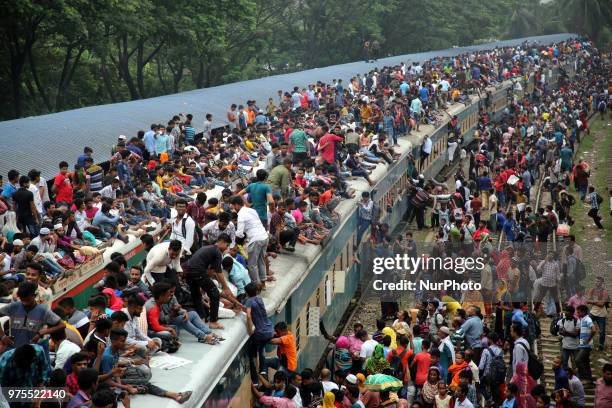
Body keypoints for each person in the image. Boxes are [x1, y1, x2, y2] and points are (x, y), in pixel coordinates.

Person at [184, 234, 242, 329]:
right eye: (227, 245)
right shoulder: (217, 252)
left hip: (189, 271)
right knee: (214, 293)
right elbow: (219, 272)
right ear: (222, 242)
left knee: (196, 295)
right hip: (198, 271)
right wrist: (226, 288)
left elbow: (215, 272)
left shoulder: (208, 248)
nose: (227, 249)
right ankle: (213, 321)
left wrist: (222, 285)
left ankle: (201, 319)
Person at [0, 281, 65, 348]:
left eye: (27, 300)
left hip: (33, 351)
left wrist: (42, 332)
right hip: (14, 350)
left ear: (34, 296)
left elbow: (62, 325)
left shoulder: (43, 310)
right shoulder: (14, 306)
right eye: (22, 300)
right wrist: (3, 336)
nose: (24, 303)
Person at [230, 195, 269, 287]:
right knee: (261, 260)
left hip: (255, 239)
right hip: (264, 236)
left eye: (233, 206)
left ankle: (257, 285)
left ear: (236, 205)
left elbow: (239, 233)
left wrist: (237, 240)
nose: (233, 208)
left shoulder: (241, 215)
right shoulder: (252, 210)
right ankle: (263, 282)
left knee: (252, 264)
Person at [245, 282, 274, 385]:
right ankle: (263, 370)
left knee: (251, 355)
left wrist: (249, 330)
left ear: (246, 293)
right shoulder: (259, 298)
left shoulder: (249, 301)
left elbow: (248, 316)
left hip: (260, 332)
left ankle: (255, 380)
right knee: (261, 348)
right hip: (270, 330)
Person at [586, 276, 609, 351]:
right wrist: (596, 302)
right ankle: (586, 342)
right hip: (593, 312)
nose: (597, 282)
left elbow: (602, 304)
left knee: (602, 332)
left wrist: (593, 301)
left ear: (602, 283)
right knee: (585, 326)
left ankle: (601, 346)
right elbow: (587, 300)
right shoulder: (592, 290)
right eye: (596, 281)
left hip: (601, 314)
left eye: (598, 281)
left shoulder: (604, 291)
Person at [575, 304, 595, 385]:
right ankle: (590, 381)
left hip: (586, 345)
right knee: (586, 363)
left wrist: (588, 340)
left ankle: (584, 377)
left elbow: (594, 330)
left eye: (579, 312)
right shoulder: (582, 320)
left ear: (583, 312)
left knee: (578, 360)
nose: (577, 313)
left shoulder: (588, 319)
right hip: (582, 345)